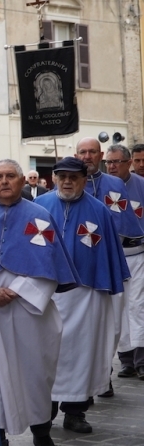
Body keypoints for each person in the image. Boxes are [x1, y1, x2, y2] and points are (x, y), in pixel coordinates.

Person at [0, 159, 79, 446]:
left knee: (35, 373)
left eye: (11, 176)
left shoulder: (40, 217)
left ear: (22, 182)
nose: (5, 181)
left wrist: (17, 290)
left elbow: (50, 266)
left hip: (30, 312)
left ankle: (41, 433)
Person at [34, 157, 129, 434]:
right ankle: (44, 414)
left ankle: (75, 412)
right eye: (62, 176)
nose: (67, 181)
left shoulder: (99, 211)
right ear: (53, 178)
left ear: (84, 180)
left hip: (87, 295)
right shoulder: (38, 208)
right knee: (47, 355)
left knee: (82, 355)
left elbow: (109, 255)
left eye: (73, 177)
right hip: (47, 294)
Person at [75, 137, 144, 395]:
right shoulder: (69, 184)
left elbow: (125, 220)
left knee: (112, 321)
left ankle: (104, 374)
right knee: (82, 324)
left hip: (112, 260)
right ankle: (84, 380)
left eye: (92, 152)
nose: (87, 156)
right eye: (83, 152)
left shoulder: (114, 184)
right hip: (80, 266)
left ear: (99, 155)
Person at [104, 144, 144, 380]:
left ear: (128, 163)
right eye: (108, 162)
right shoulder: (101, 187)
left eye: (116, 162)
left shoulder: (141, 186)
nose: (111, 166)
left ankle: (141, 359)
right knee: (116, 309)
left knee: (137, 306)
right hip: (112, 255)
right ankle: (125, 359)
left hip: (137, 253)